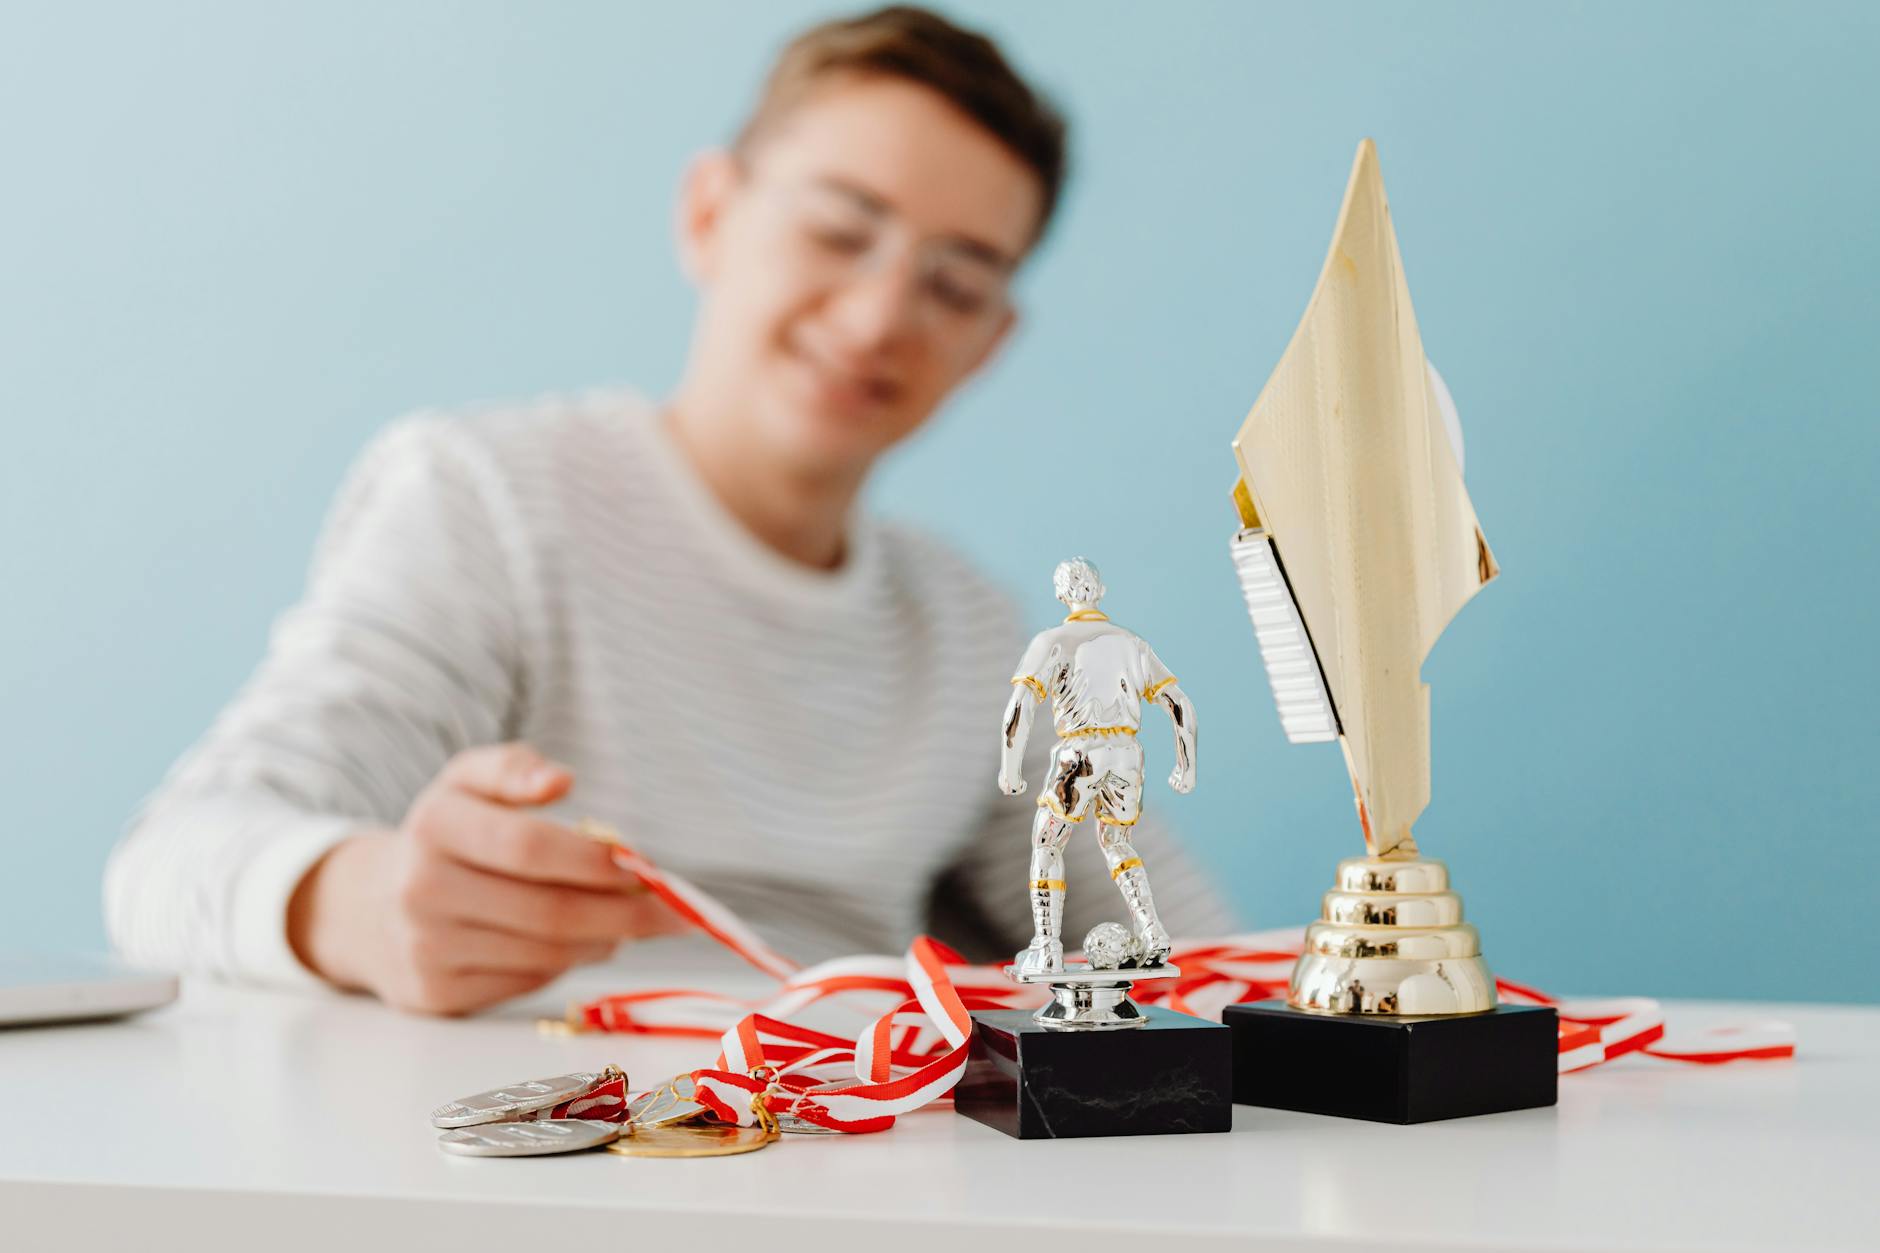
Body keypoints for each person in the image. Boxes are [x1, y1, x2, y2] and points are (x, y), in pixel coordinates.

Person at [105, 5, 1232, 1015]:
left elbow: (1196, 952)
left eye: (955, 282)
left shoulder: (971, 633)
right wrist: (360, 904)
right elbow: (171, 862)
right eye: (839, 229)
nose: (882, 312)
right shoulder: (488, 503)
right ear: (707, 213)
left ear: (989, 342)